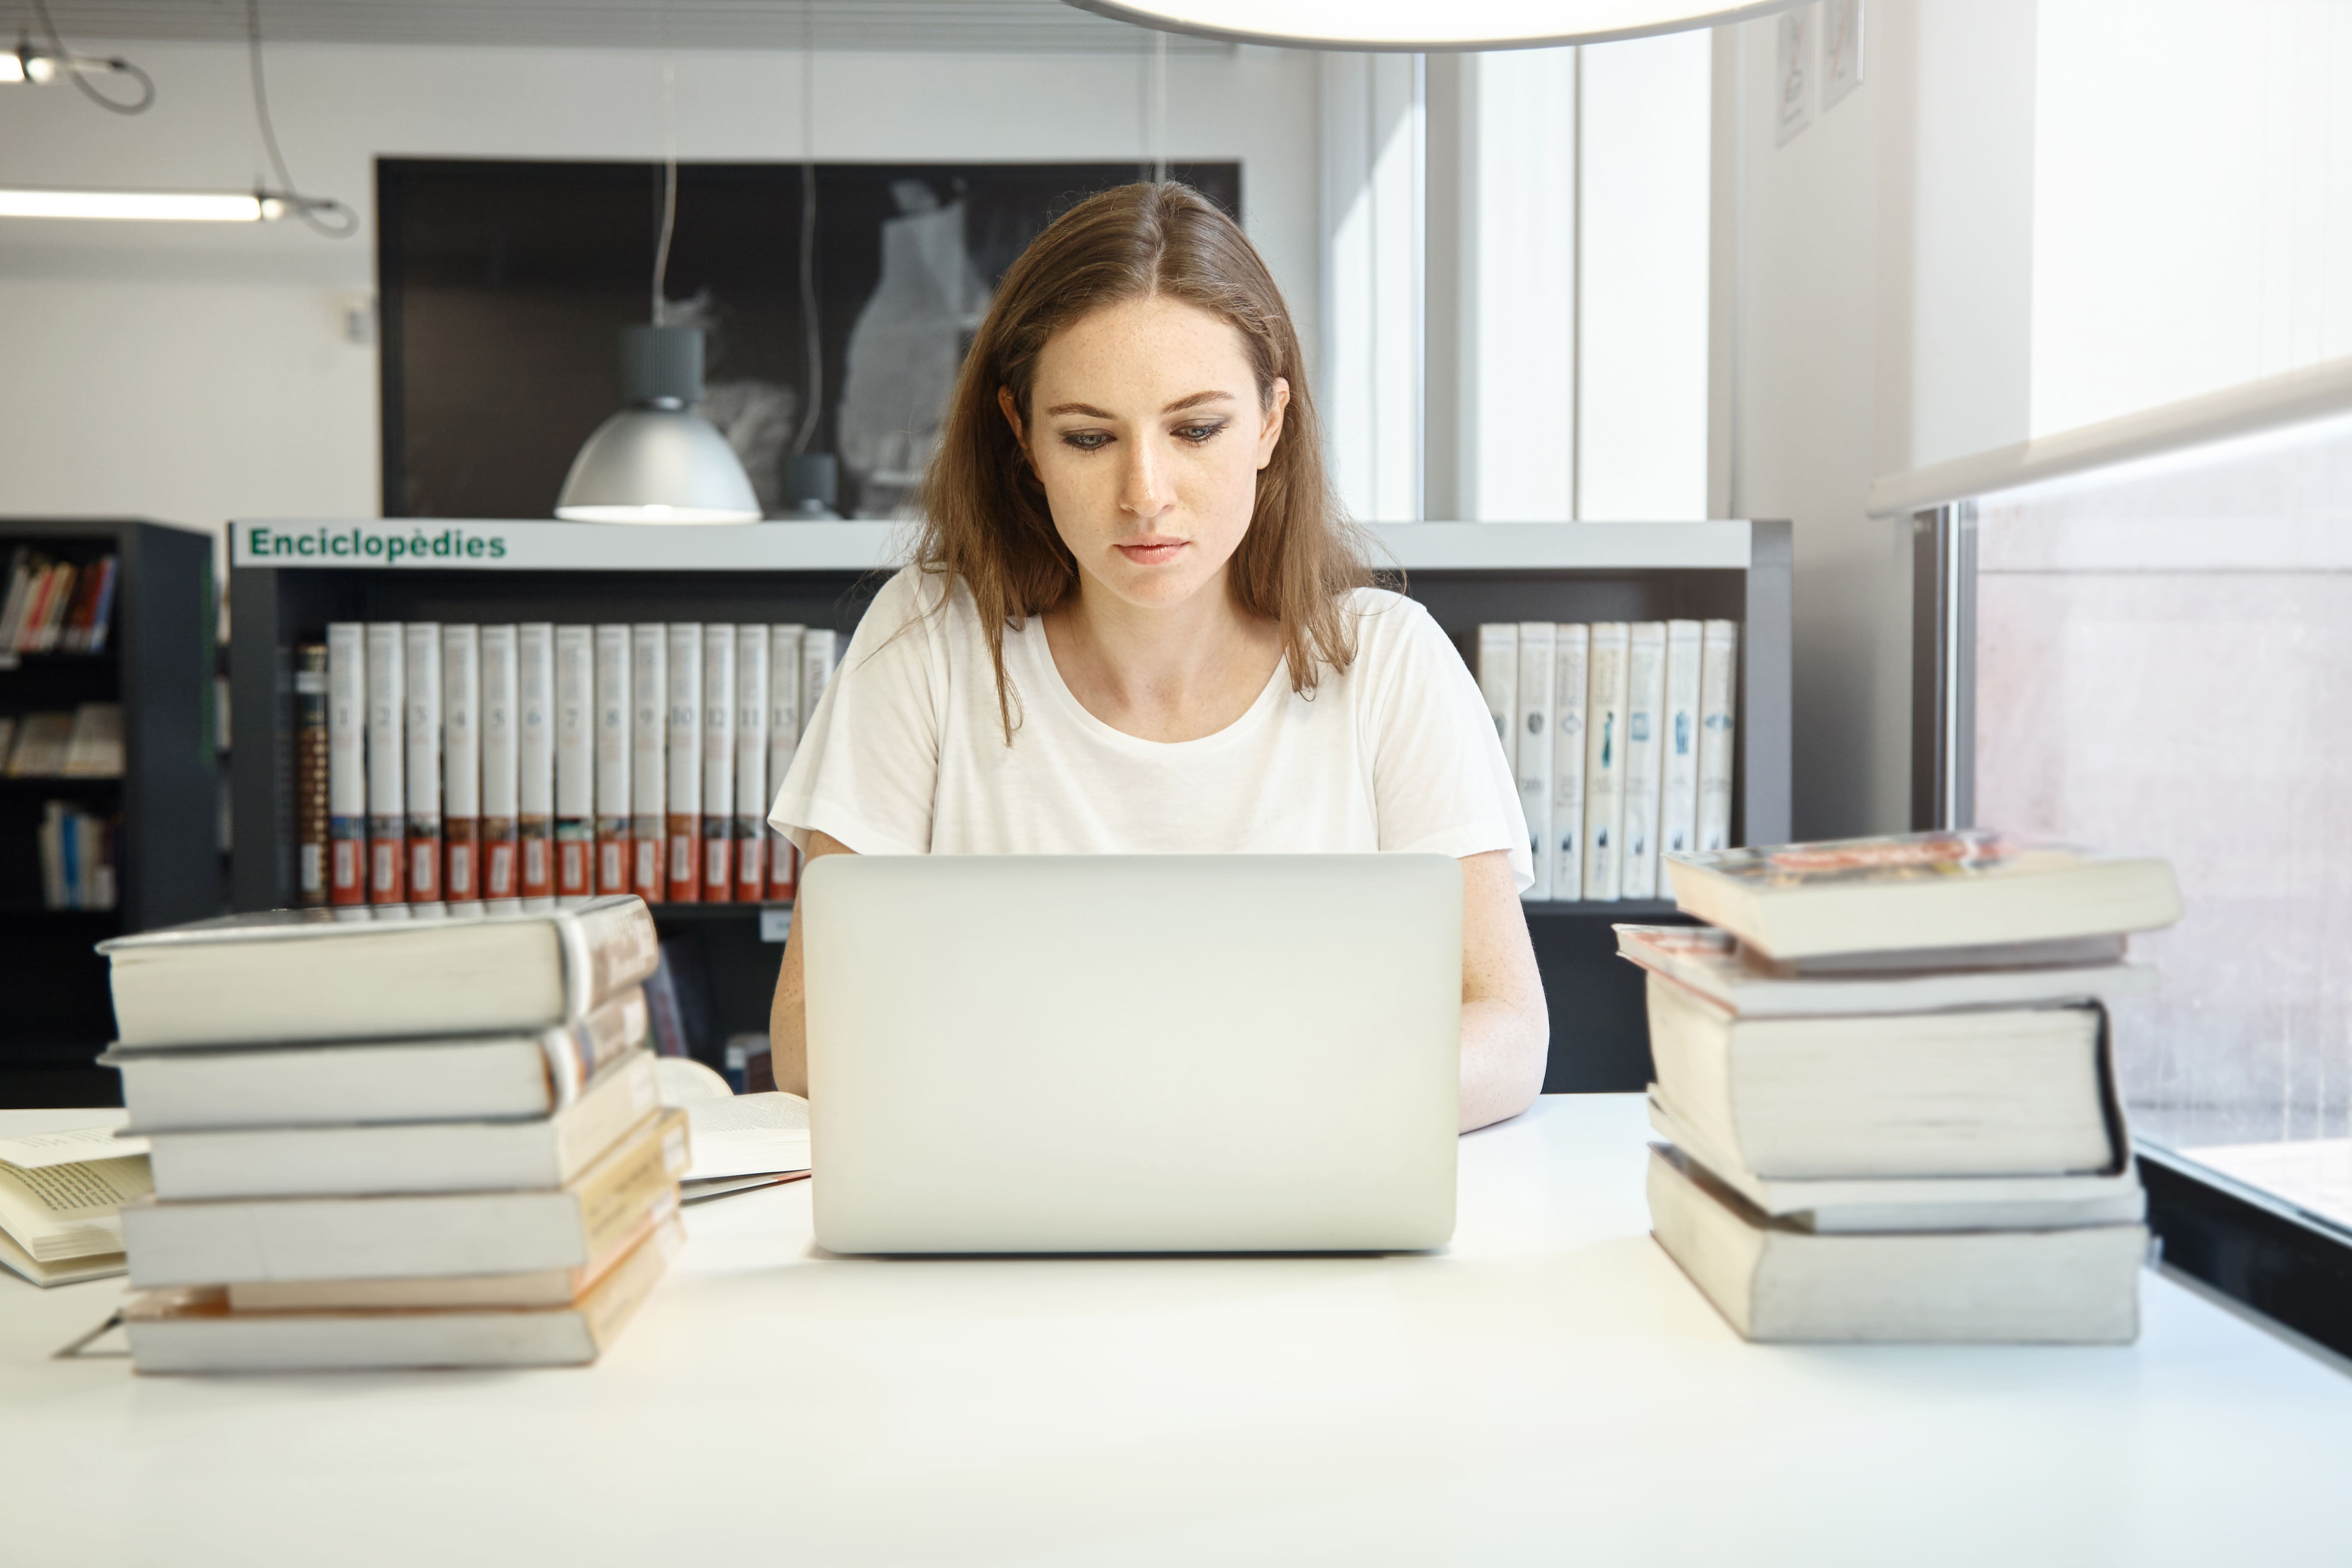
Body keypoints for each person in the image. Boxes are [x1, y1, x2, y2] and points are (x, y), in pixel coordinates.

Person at [766, 182, 1547, 1132]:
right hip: (1014, 1212)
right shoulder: (927, 642)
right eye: (1089, 438)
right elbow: (807, 1037)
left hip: (1299, 1190)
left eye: (1196, 429)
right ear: (1023, 438)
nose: (1145, 494)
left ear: (1270, 423)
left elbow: (1508, 1031)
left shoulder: (1388, 662)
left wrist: (1250, 1110)